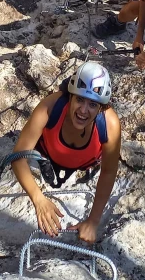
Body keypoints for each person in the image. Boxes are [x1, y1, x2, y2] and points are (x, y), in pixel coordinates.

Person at [12, 61, 121, 245]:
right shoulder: (50, 107)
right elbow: (18, 156)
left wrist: (93, 221)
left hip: (83, 165)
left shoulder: (110, 126)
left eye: (93, 104)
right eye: (79, 99)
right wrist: (39, 200)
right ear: (70, 97)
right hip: (45, 156)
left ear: (101, 108)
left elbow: (109, 172)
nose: (84, 110)